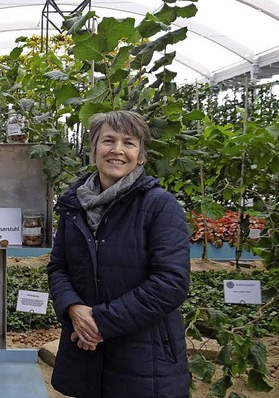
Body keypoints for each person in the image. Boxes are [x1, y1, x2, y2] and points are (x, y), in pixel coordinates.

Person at [47, 110, 191, 398]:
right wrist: (74, 309)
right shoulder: (74, 206)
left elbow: (170, 283)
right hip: (85, 355)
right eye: (108, 141)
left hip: (144, 359)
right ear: (93, 150)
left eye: (129, 143)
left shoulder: (159, 206)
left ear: (141, 155)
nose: (117, 150)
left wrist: (99, 322)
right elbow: (58, 267)